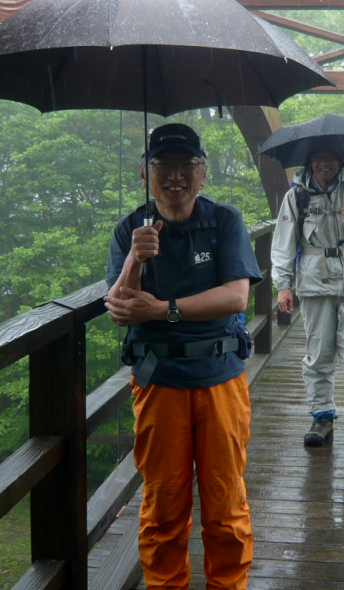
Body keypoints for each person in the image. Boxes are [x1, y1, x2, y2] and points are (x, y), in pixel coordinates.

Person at [105, 122, 262, 590]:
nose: (175, 176)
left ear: (203, 174)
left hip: (220, 376)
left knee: (225, 504)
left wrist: (164, 309)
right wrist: (136, 258)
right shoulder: (129, 229)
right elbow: (117, 310)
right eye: (163, 165)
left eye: (186, 165)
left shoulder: (224, 221)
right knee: (163, 505)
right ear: (144, 173)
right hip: (159, 381)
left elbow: (237, 298)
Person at [270, 146, 344, 451]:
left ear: (341, 161)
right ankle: (322, 416)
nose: (325, 164)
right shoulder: (296, 196)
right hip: (313, 280)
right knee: (319, 353)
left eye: (331, 158)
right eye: (318, 158)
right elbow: (283, 243)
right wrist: (283, 285)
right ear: (310, 161)